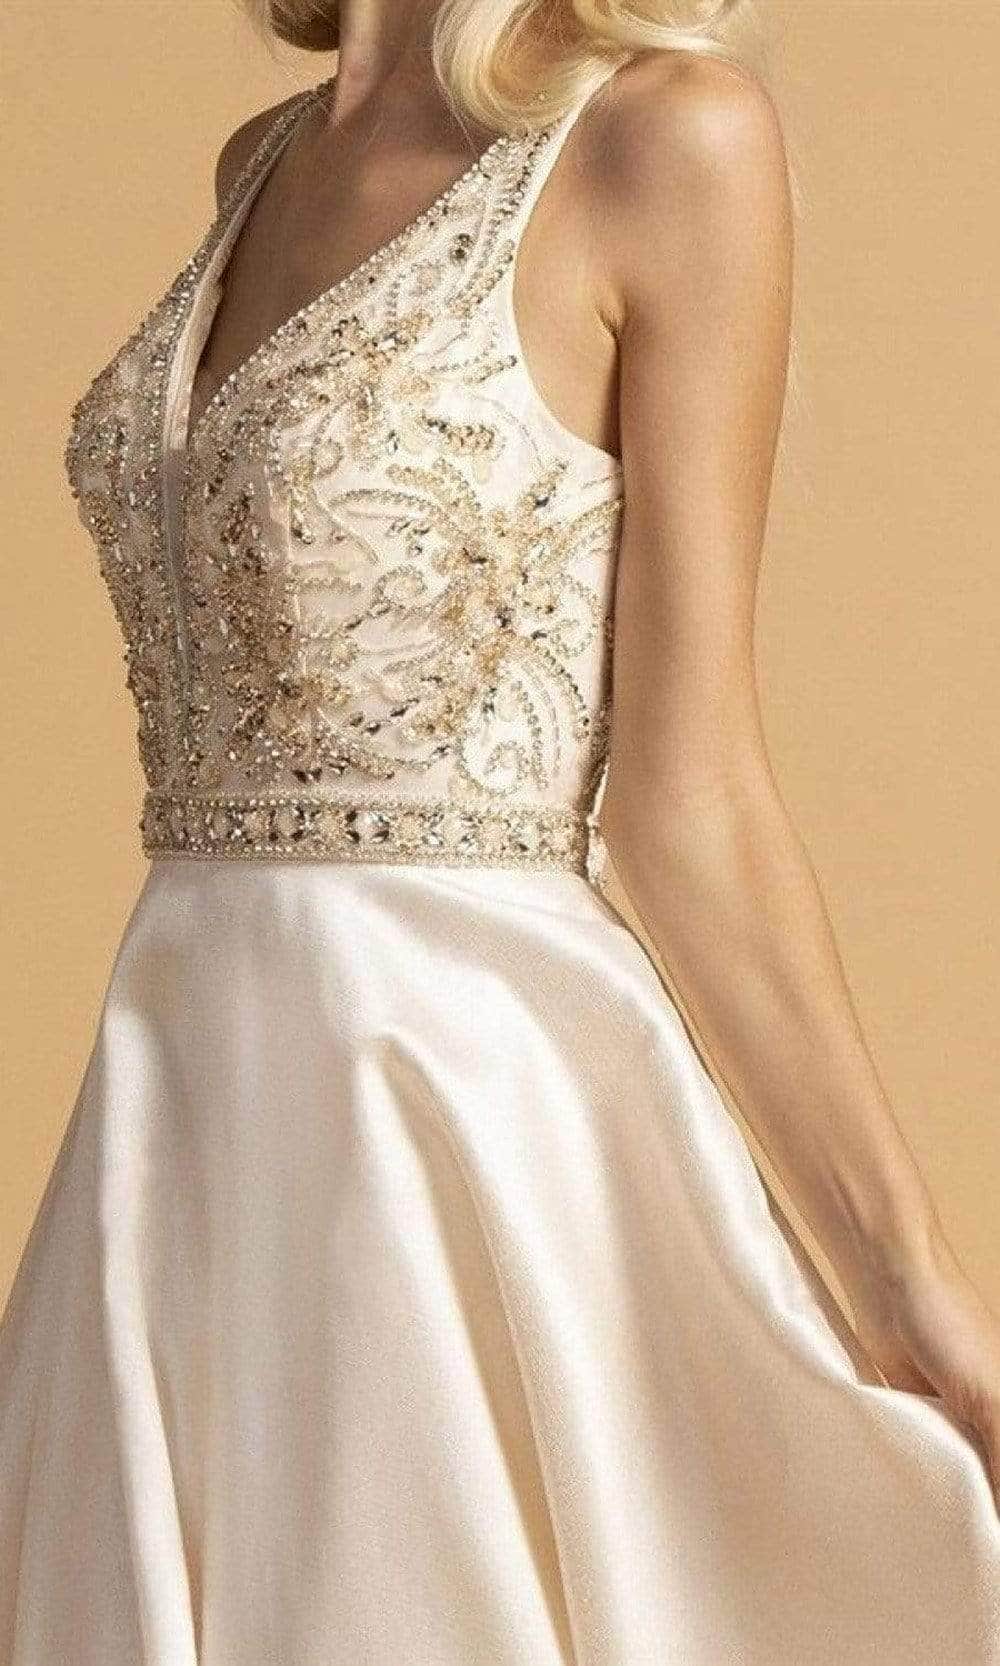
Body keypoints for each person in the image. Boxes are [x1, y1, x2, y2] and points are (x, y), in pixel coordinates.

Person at [2, 0, 998, 1660]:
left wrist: (912, 1290)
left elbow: (689, 797)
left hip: (455, 1107)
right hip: (176, 1118)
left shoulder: (663, 139)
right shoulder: (261, 163)